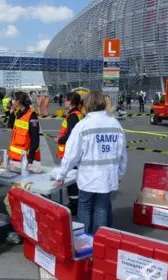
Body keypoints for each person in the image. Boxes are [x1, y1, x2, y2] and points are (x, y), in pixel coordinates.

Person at [54, 91, 127, 234]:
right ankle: (99, 244)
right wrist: (120, 173)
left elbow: (71, 154)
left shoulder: (83, 125)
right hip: (108, 177)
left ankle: (85, 242)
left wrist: (61, 175)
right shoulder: (115, 124)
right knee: (102, 208)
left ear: (87, 105)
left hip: (88, 177)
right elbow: (122, 153)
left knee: (85, 207)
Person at [54, 92, 83, 215]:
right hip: (77, 153)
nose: (64, 102)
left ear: (70, 102)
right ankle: (75, 204)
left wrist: (59, 139)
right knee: (75, 181)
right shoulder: (78, 114)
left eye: (65, 100)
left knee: (72, 182)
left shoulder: (72, 116)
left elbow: (71, 136)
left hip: (72, 154)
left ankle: (74, 206)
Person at [8, 92, 41, 164]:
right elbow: (11, 126)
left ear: (18, 101)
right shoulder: (19, 113)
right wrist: (11, 113)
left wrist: (30, 159)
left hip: (25, 158)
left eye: (14, 99)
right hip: (15, 157)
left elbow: (35, 139)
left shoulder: (31, 115)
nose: (12, 101)